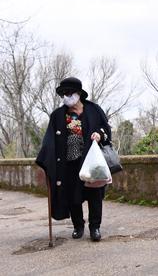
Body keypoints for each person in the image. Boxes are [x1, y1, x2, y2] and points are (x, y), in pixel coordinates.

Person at [36, 77, 112, 242]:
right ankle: (78, 226)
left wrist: (99, 134)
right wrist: (44, 161)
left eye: (68, 93)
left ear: (78, 93)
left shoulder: (93, 109)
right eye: (62, 94)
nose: (65, 96)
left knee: (94, 195)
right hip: (68, 163)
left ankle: (95, 228)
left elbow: (106, 130)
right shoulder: (57, 115)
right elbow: (49, 140)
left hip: (90, 162)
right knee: (72, 196)